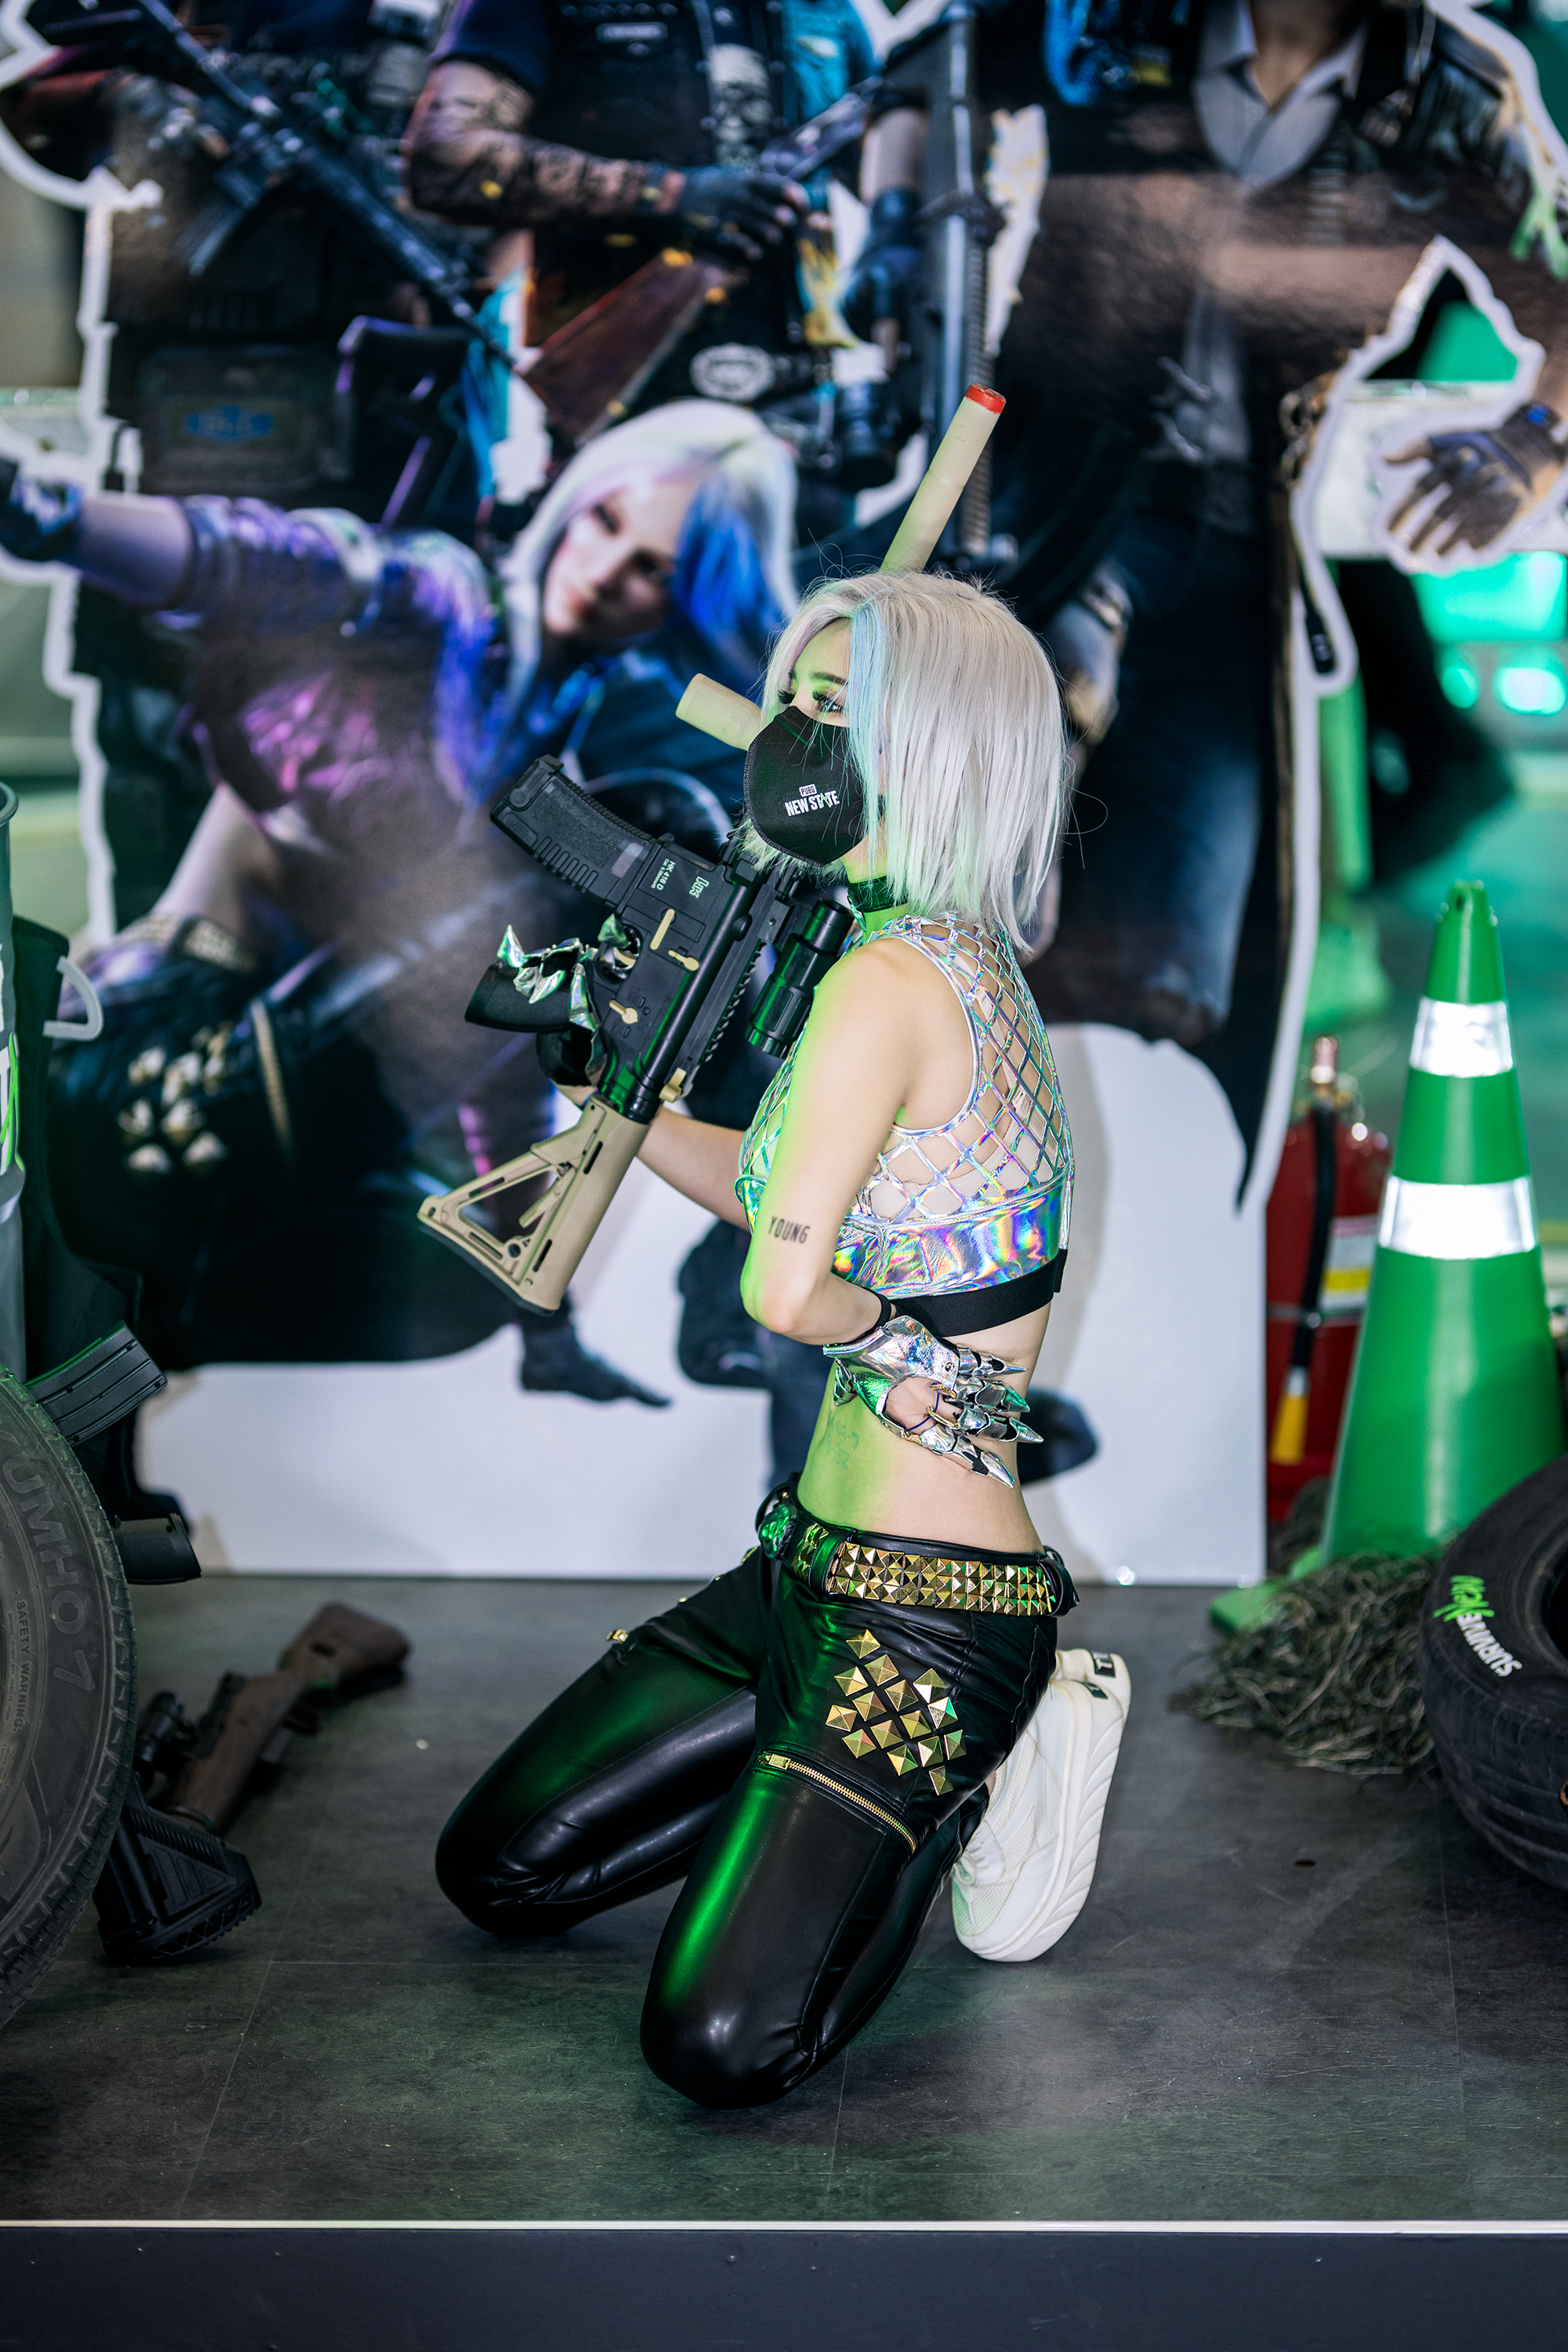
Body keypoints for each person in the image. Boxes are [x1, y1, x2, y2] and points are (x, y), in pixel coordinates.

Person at [435, 566, 1131, 2109]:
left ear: (929, 746)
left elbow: (784, 1292)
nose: (792, 741)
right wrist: (612, 1087)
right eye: (795, 702)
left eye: (837, 711)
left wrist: (877, 1330)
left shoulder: (887, 983)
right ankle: (809, 1790)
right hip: (795, 1574)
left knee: (720, 2041)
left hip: (929, 1619)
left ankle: (985, 1768)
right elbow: (779, 1203)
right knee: (501, 1869)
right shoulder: (929, 957)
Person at [844, 0, 1568, 1162]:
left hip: (1237, 550)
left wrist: (1529, 442)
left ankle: (1082, 1211)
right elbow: (927, 73)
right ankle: (870, 1168)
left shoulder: (1445, 89)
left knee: (1169, 976)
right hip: (1043, 511)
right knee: (960, 885)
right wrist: (895, 228)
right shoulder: (1107, 17)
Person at [1, 401, 796, 1394]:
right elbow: (269, 560)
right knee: (662, 828)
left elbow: (487, 1034)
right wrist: (49, 516)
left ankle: (129, 1321)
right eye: (604, 522)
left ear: (683, 603)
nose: (603, 572)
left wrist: (544, 1328)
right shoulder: (444, 600)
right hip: (156, 1067)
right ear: (573, 503)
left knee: (474, 1276)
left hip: (267, 1136)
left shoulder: (551, 743)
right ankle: (735, 1279)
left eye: (651, 571)